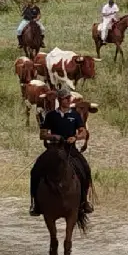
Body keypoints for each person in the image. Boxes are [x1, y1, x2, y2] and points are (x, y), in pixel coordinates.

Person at [30, 88, 94, 216]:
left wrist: (75, 137)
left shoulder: (75, 115)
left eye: (69, 98)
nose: (68, 100)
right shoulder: (51, 115)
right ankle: (35, 203)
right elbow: (42, 134)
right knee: (35, 170)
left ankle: (84, 200)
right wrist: (53, 137)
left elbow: (83, 132)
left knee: (85, 168)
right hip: (54, 149)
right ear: (60, 100)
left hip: (71, 149)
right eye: (66, 98)